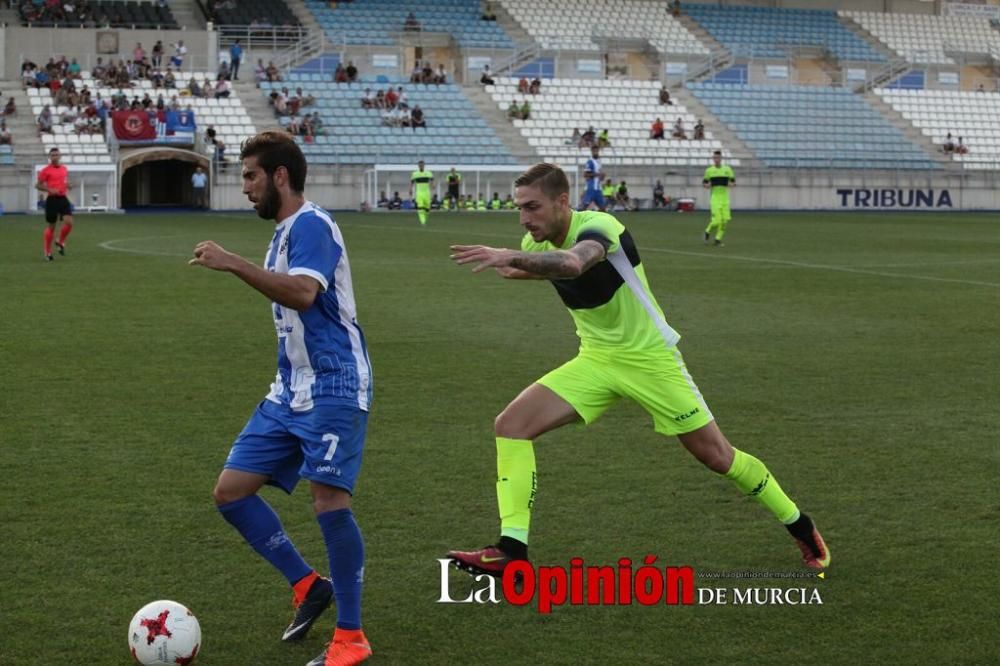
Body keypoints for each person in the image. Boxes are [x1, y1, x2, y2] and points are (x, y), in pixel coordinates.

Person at [445, 162, 830, 578]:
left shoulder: (600, 227)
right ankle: (511, 549)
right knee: (511, 425)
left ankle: (799, 523)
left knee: (718, 457)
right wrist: (511, 264)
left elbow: (574, 263)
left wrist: (512, 257)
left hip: (651, 361)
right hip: (596, 359)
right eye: (519, 209)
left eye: (533, 207)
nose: (524, 218)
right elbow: (533, 267)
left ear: (562, 201)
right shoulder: (533, 243)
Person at [189, 131, 373, 666]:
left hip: (334, 384)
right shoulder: (283, 232)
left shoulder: (312, 224)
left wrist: (233, 263)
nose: (244, 186)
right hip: (289, 389)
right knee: (231, 492)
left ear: (280, 177)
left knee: (329, 502)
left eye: (250, 175)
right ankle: (307, 585)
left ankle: (352, 636)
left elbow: (303, 292)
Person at [36, 147, 74, 262]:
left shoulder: (64, 169)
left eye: (57, 155)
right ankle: (47, 252)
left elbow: (64, 181)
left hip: (63, 198)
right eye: (52, 155)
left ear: (60, 156)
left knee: (69, 222)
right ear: (49, 157)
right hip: (52, 200)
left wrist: (68, 185)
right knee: (51, 227)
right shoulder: (45, 170)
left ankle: (60, 241)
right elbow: (38, 185)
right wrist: (49, 189)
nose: (55, 157)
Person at [703, 150, 735, 247]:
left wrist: (727, 183)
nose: (716, 159)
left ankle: (718, 239)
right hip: (715, 199)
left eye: (718, 158)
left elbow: (733, 183)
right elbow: (705, 184)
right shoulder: (709, 171)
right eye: (715, 158)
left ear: (721, 158)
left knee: (724, 221)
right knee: (717, 220)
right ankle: (707, 231)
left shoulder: (728, 169)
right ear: (713, 159)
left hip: (725, 199)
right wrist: (709, 185)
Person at [580, 146, 606, 211]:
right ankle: (577, 219)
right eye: (594, 151)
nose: (595, 152)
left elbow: (600, 177)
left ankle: (602, 221)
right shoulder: (590, 162)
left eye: (596, 151)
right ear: (591, 152)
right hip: (591, 188)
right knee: (584, 206)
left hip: (598, 189)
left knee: (603, 208)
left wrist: (602, 176)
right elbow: (585, 174)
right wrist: (598, 174)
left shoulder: (599, 162)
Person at [410, 160, 434, 226]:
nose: (421, 166)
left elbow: (432, 180)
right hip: (419, 193)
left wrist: (433, 185)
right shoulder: (415, 174)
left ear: (424, 165)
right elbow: (412, 182)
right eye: (420, 165)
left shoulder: (428, 173)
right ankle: (422, 222)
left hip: (427, 193)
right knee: (420, 207)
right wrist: (410, 189)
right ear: (418, 166)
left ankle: (424, 220)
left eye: (422, 164)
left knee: (427, 208)